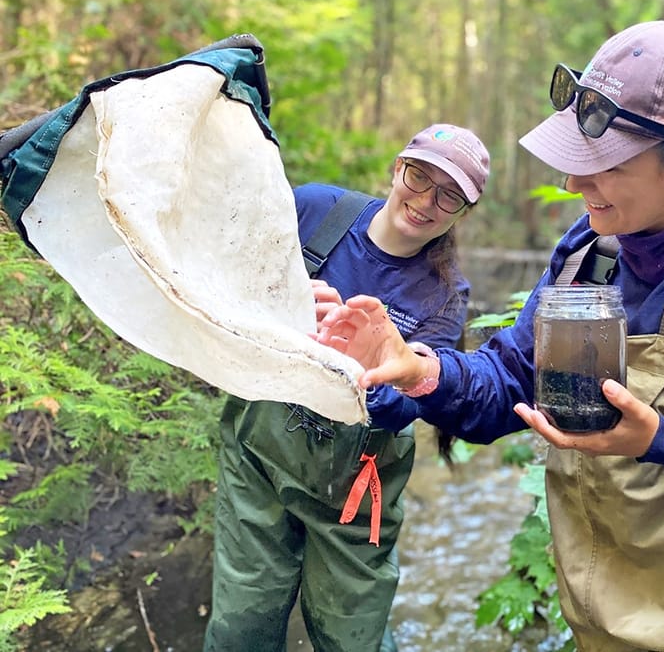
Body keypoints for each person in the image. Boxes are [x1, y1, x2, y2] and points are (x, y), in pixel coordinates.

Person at [314, 19, 664, 651]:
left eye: (603, 166)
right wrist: (421, 369)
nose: (571, 184)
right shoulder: (590, 251)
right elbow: (512, 381)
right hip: (600, 624)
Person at [203, 124, 491, 651]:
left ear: (461, 213)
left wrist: (351, 365)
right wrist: (282, 305)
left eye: (448, 195)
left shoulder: (445, 296)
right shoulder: (315, 211)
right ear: (396, 168)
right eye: (418, 176)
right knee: (242, 628)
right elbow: (227, 277)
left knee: (351, 639)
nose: (425, 201)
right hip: (258, 461)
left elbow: (406, 407)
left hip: (357, 491)